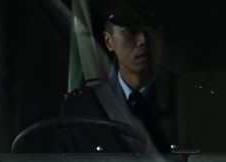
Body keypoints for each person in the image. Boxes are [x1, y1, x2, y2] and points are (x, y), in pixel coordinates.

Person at [56, 1, 179, 153]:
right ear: (109, 41)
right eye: (130, 31)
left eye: (151, 29)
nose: (142, 40)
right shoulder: (81, 110)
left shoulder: (189, 101)